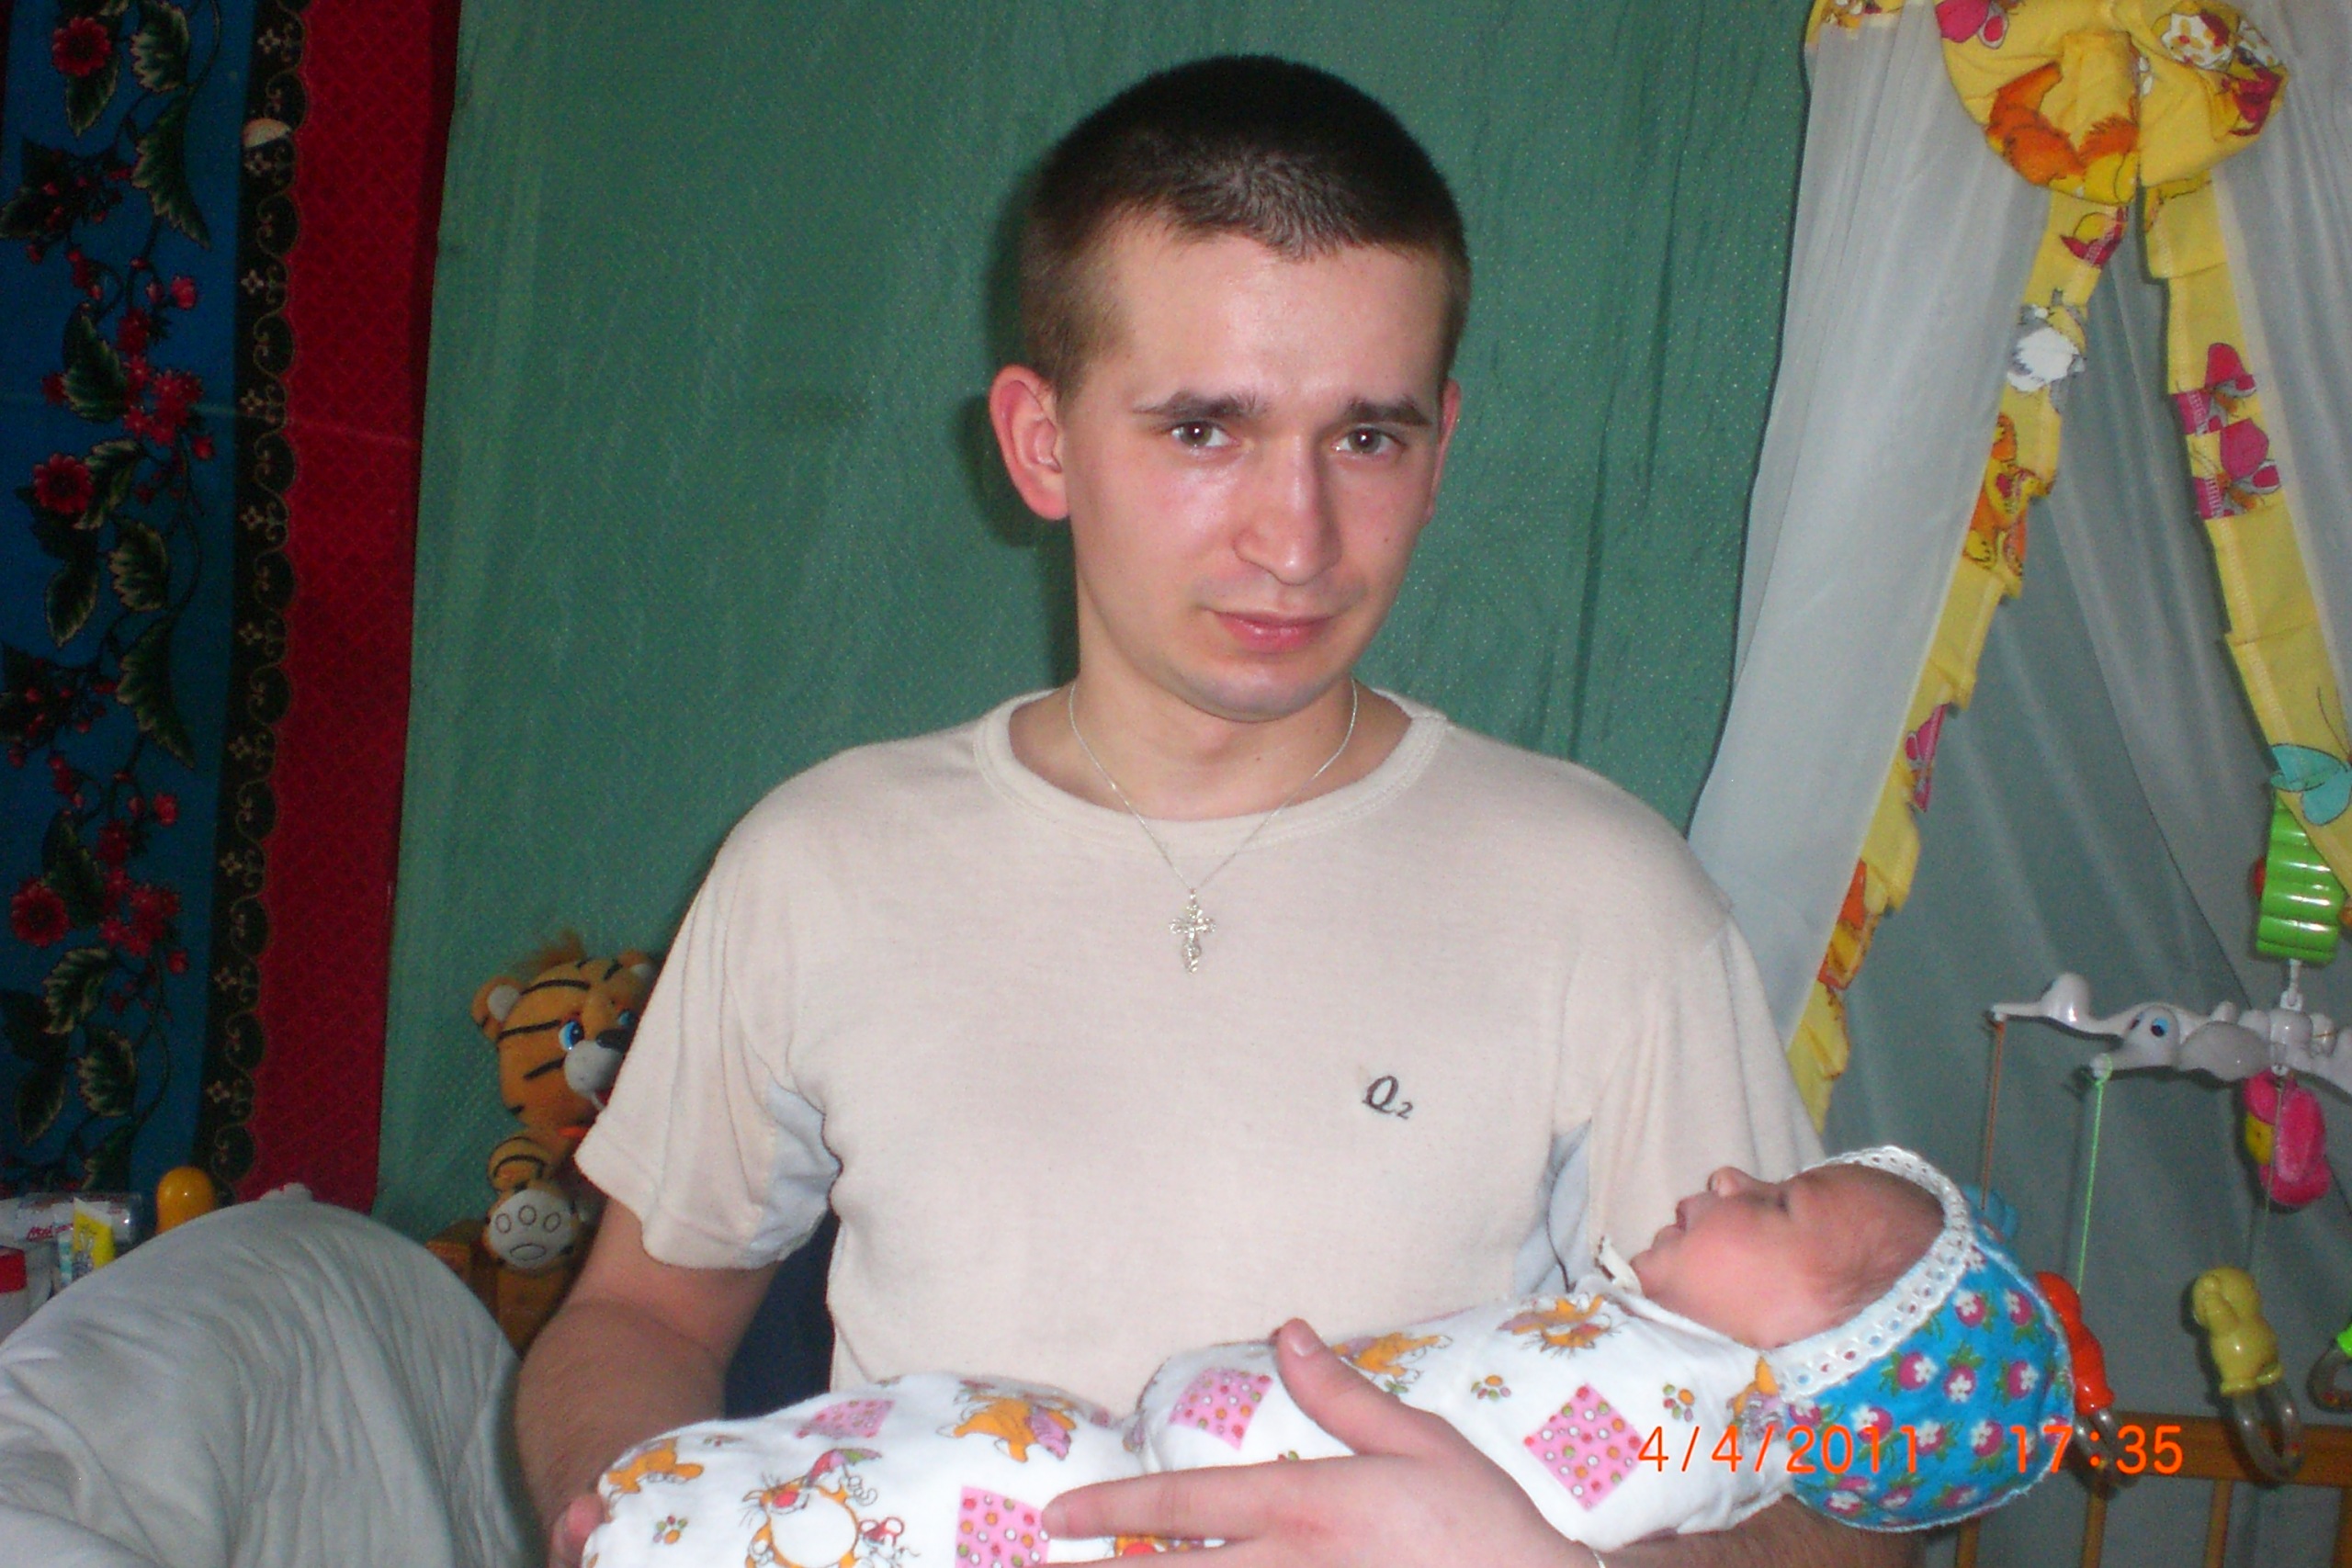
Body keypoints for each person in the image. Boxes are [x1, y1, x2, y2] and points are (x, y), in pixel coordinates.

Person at [521, 54, 1905, 1568]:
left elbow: (1846, 1488)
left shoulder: (1605, 898)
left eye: (1366, 438)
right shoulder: (817, 863)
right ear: (1041, 442)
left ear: (1439, 448)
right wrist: (618, 1514)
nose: (1295, 540)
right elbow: (638, 1316)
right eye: (1203, 432)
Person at [573, 1148, 2072, 1567]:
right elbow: (629, 1316)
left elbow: (1834, 1518)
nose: (1734, 1174)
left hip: (1154, 1517)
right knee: (928, 1442)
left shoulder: (1722, 1427)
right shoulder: (1679, 1362)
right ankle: (654, 1511)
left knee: (947, 1490)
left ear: (1829, 1349)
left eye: (1781, 1205)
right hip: (1110, 1457)